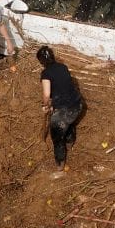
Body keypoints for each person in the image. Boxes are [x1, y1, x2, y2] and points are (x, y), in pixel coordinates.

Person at [37, 46, 82, 177]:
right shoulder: (63, 67)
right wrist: (53, 105)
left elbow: (46, 94)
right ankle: (70, 143)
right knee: (69, 123)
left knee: (57, 137)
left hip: (65, 111)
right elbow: (63, 87)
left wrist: (45, 105)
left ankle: (60, 168)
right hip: (77, 105)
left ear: (41, 62)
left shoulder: (46, 73)